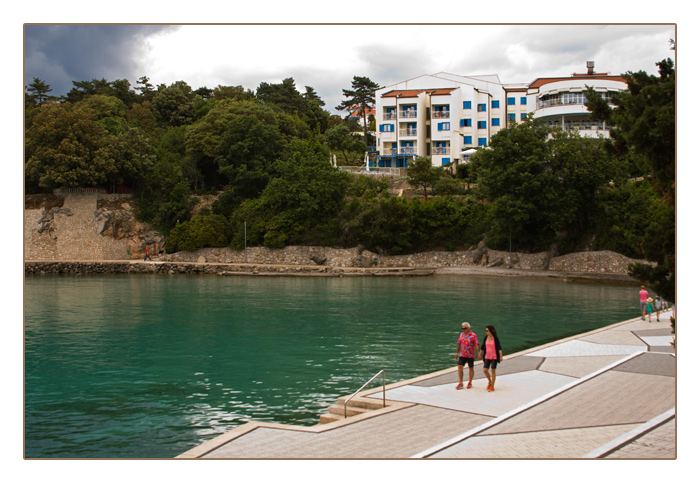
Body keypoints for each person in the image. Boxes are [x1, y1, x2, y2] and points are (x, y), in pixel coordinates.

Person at [455, 322, 479, 389]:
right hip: (462, 354)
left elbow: (477, 344)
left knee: (471, 368)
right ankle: (460, 382)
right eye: (462, 328)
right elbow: (459, 343)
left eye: (464, 328)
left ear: (468, 328)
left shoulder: (473, 335)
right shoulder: (461, 335)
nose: (463, 330)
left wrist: (479, 353)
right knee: (460, 367)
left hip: (470, 355)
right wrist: (457, 353)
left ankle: (470, 382)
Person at [479, 325, 503, 392]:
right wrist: (479, 353)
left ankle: (492, 386)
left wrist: (501, 356)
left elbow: (499, 348)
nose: (486, 332)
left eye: (487, 330)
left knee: (493, 371)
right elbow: (483, 346)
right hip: (487, 356)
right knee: (485, 370)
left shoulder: (495, 338)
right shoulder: (485, 337)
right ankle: (489, 381)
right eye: (486, 330)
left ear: (490, 331)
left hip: (494, 357)